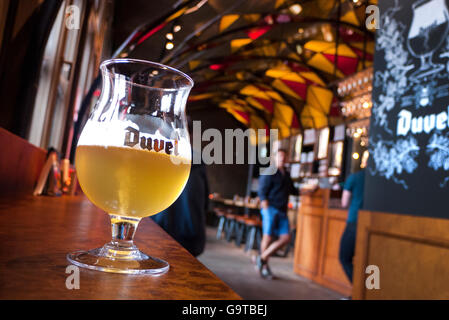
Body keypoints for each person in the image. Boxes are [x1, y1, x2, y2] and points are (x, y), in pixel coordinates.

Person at [255, 148, 298, 279]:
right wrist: (266, 209)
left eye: (284, 157)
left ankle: (262, 258)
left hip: (282, 210)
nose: (282, 159)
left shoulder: (287, 174)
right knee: (267, 238)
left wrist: (310, 190)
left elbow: (294, 191)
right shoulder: (269, 171)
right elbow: (261, 192)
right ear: (275, 158)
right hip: (271, 209)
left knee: (286, 238)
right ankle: (265, 267)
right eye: (279, 157)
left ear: (287, 158)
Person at [339, 152, 368, 284]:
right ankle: (364, 292)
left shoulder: (354, 177)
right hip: (373, 225)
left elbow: (344, 203)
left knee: (344, 257)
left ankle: (359, 291)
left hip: (355, 222)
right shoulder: (381, 181)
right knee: (367, 260)